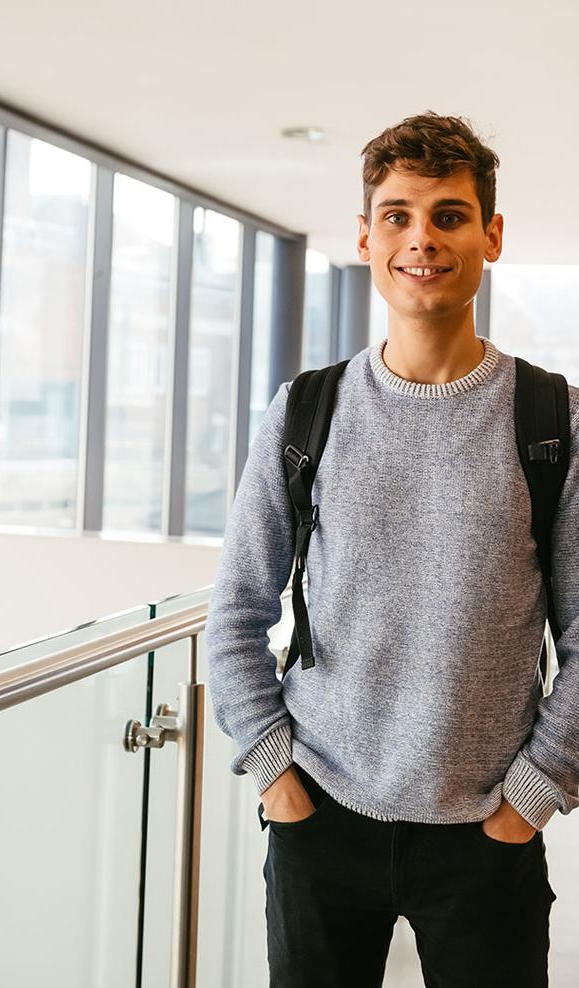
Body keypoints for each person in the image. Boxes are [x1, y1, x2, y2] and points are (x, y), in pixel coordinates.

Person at [203, 110, 578, 987]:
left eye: (449, 215)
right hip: (319, 817)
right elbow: (236, 615)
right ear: (366, 235)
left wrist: (530, 798)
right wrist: (275, 779)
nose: (423, 238)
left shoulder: (552, 422)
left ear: (490, 235)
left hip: (488, 832)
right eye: (399, 215)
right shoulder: (306, 412)